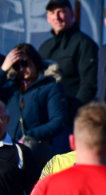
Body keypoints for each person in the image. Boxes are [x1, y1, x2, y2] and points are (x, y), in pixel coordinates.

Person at [0, 42, 66, 168]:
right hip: (10, 151)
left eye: (25, 63)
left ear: (35, 62)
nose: (22, 69)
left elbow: (58, 121)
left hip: (35, 151)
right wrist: (3, 69)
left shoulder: (50, 87)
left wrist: (30, 135)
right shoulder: (11, 87)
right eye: (17, 66)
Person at [38, 0, 97, 129]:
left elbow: (89, 85)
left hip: (73, 119)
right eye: (52, 13)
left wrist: (74, 114)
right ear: (48, 17)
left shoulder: (84, 44)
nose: (57, 17)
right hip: (47, 120)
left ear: (72, 14)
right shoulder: (44, 48)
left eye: (61, 12)